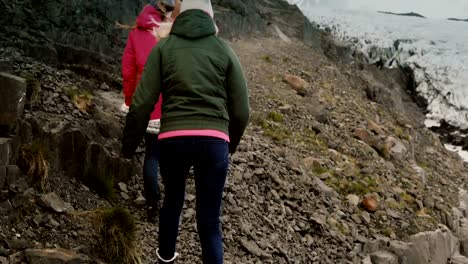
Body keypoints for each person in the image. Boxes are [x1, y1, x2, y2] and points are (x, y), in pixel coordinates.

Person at [122, 0, 250, 262]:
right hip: (214, 142)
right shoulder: (224, 50)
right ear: (210, 19)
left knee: (172, 204)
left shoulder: (164, 48)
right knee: (210, 221)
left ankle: (165, 260)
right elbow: (241, 111)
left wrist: (129, 145)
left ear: (179, 17)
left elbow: (142, 103)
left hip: (173, 139)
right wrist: (230, 144)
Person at [121, 0, 179, 221]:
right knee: (171, 155)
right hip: (172, 105)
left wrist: (130, 100)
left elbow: (128, 70)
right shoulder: (173, 32)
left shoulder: (136, 33)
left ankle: (152, 203)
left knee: (152, 154)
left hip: (147, 104)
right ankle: (172, 202)